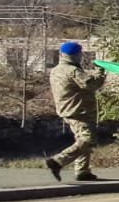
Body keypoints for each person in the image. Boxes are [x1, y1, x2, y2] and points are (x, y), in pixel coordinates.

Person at [45, 41, 107, 182]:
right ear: (77, 55)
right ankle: (58, 161)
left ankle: (82, 171)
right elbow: (92, 85)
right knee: (87, 139)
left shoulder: (57, 69)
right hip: (79, 110)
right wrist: (100, 72)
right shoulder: (73, 71)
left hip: (67, 108)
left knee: (81, 140)